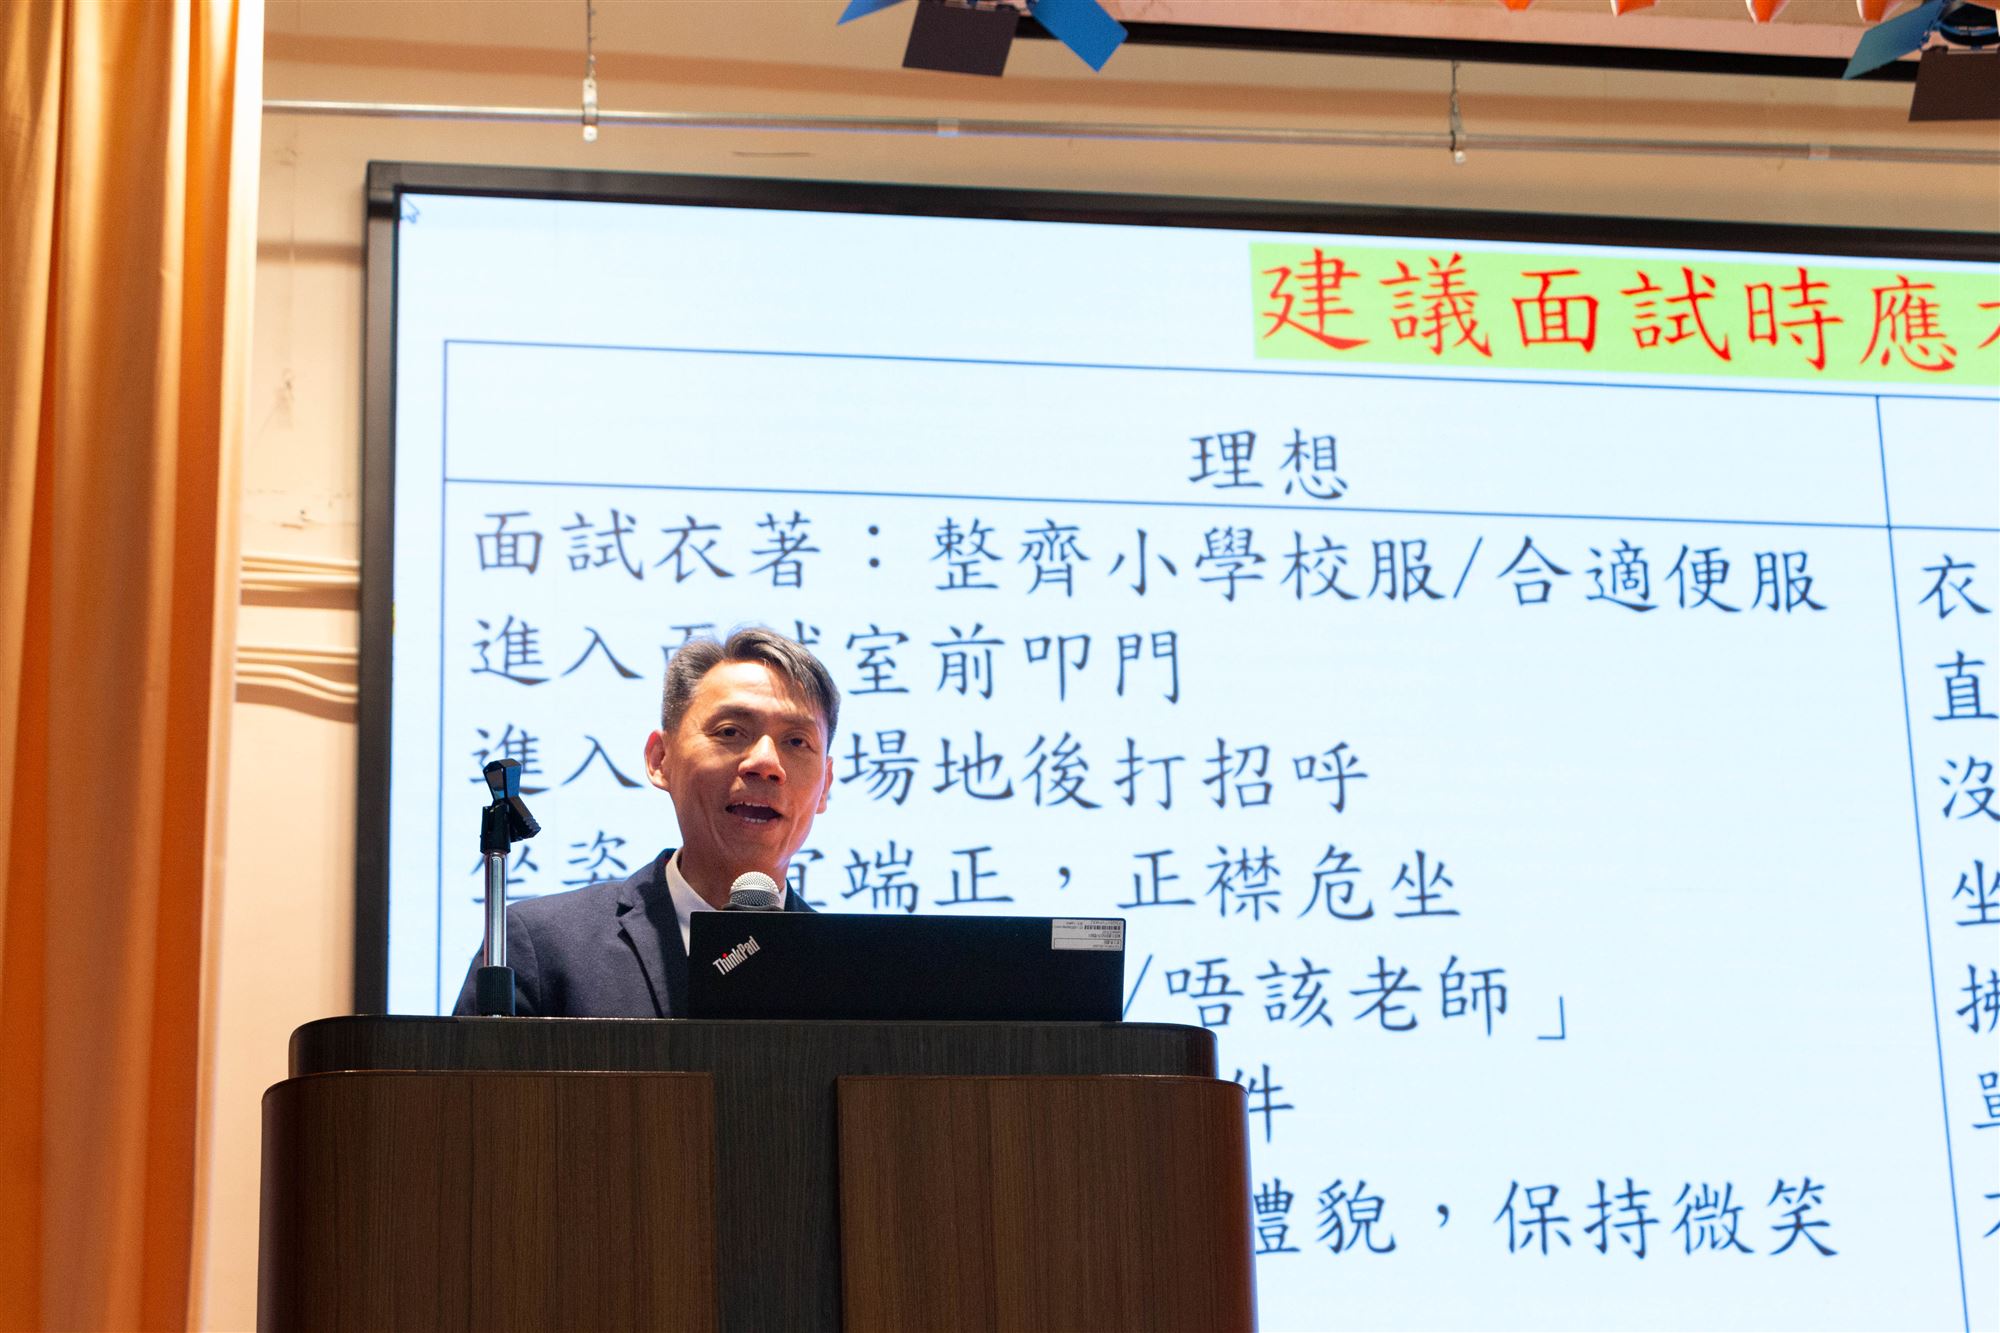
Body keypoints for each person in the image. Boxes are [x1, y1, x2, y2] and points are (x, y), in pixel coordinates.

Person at [452, 626, 837, 1017]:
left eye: (796, 741)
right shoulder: (542, 946)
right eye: (730, 731)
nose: (765, 763)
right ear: (660, 759)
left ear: (825, 786)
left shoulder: (847, 971)